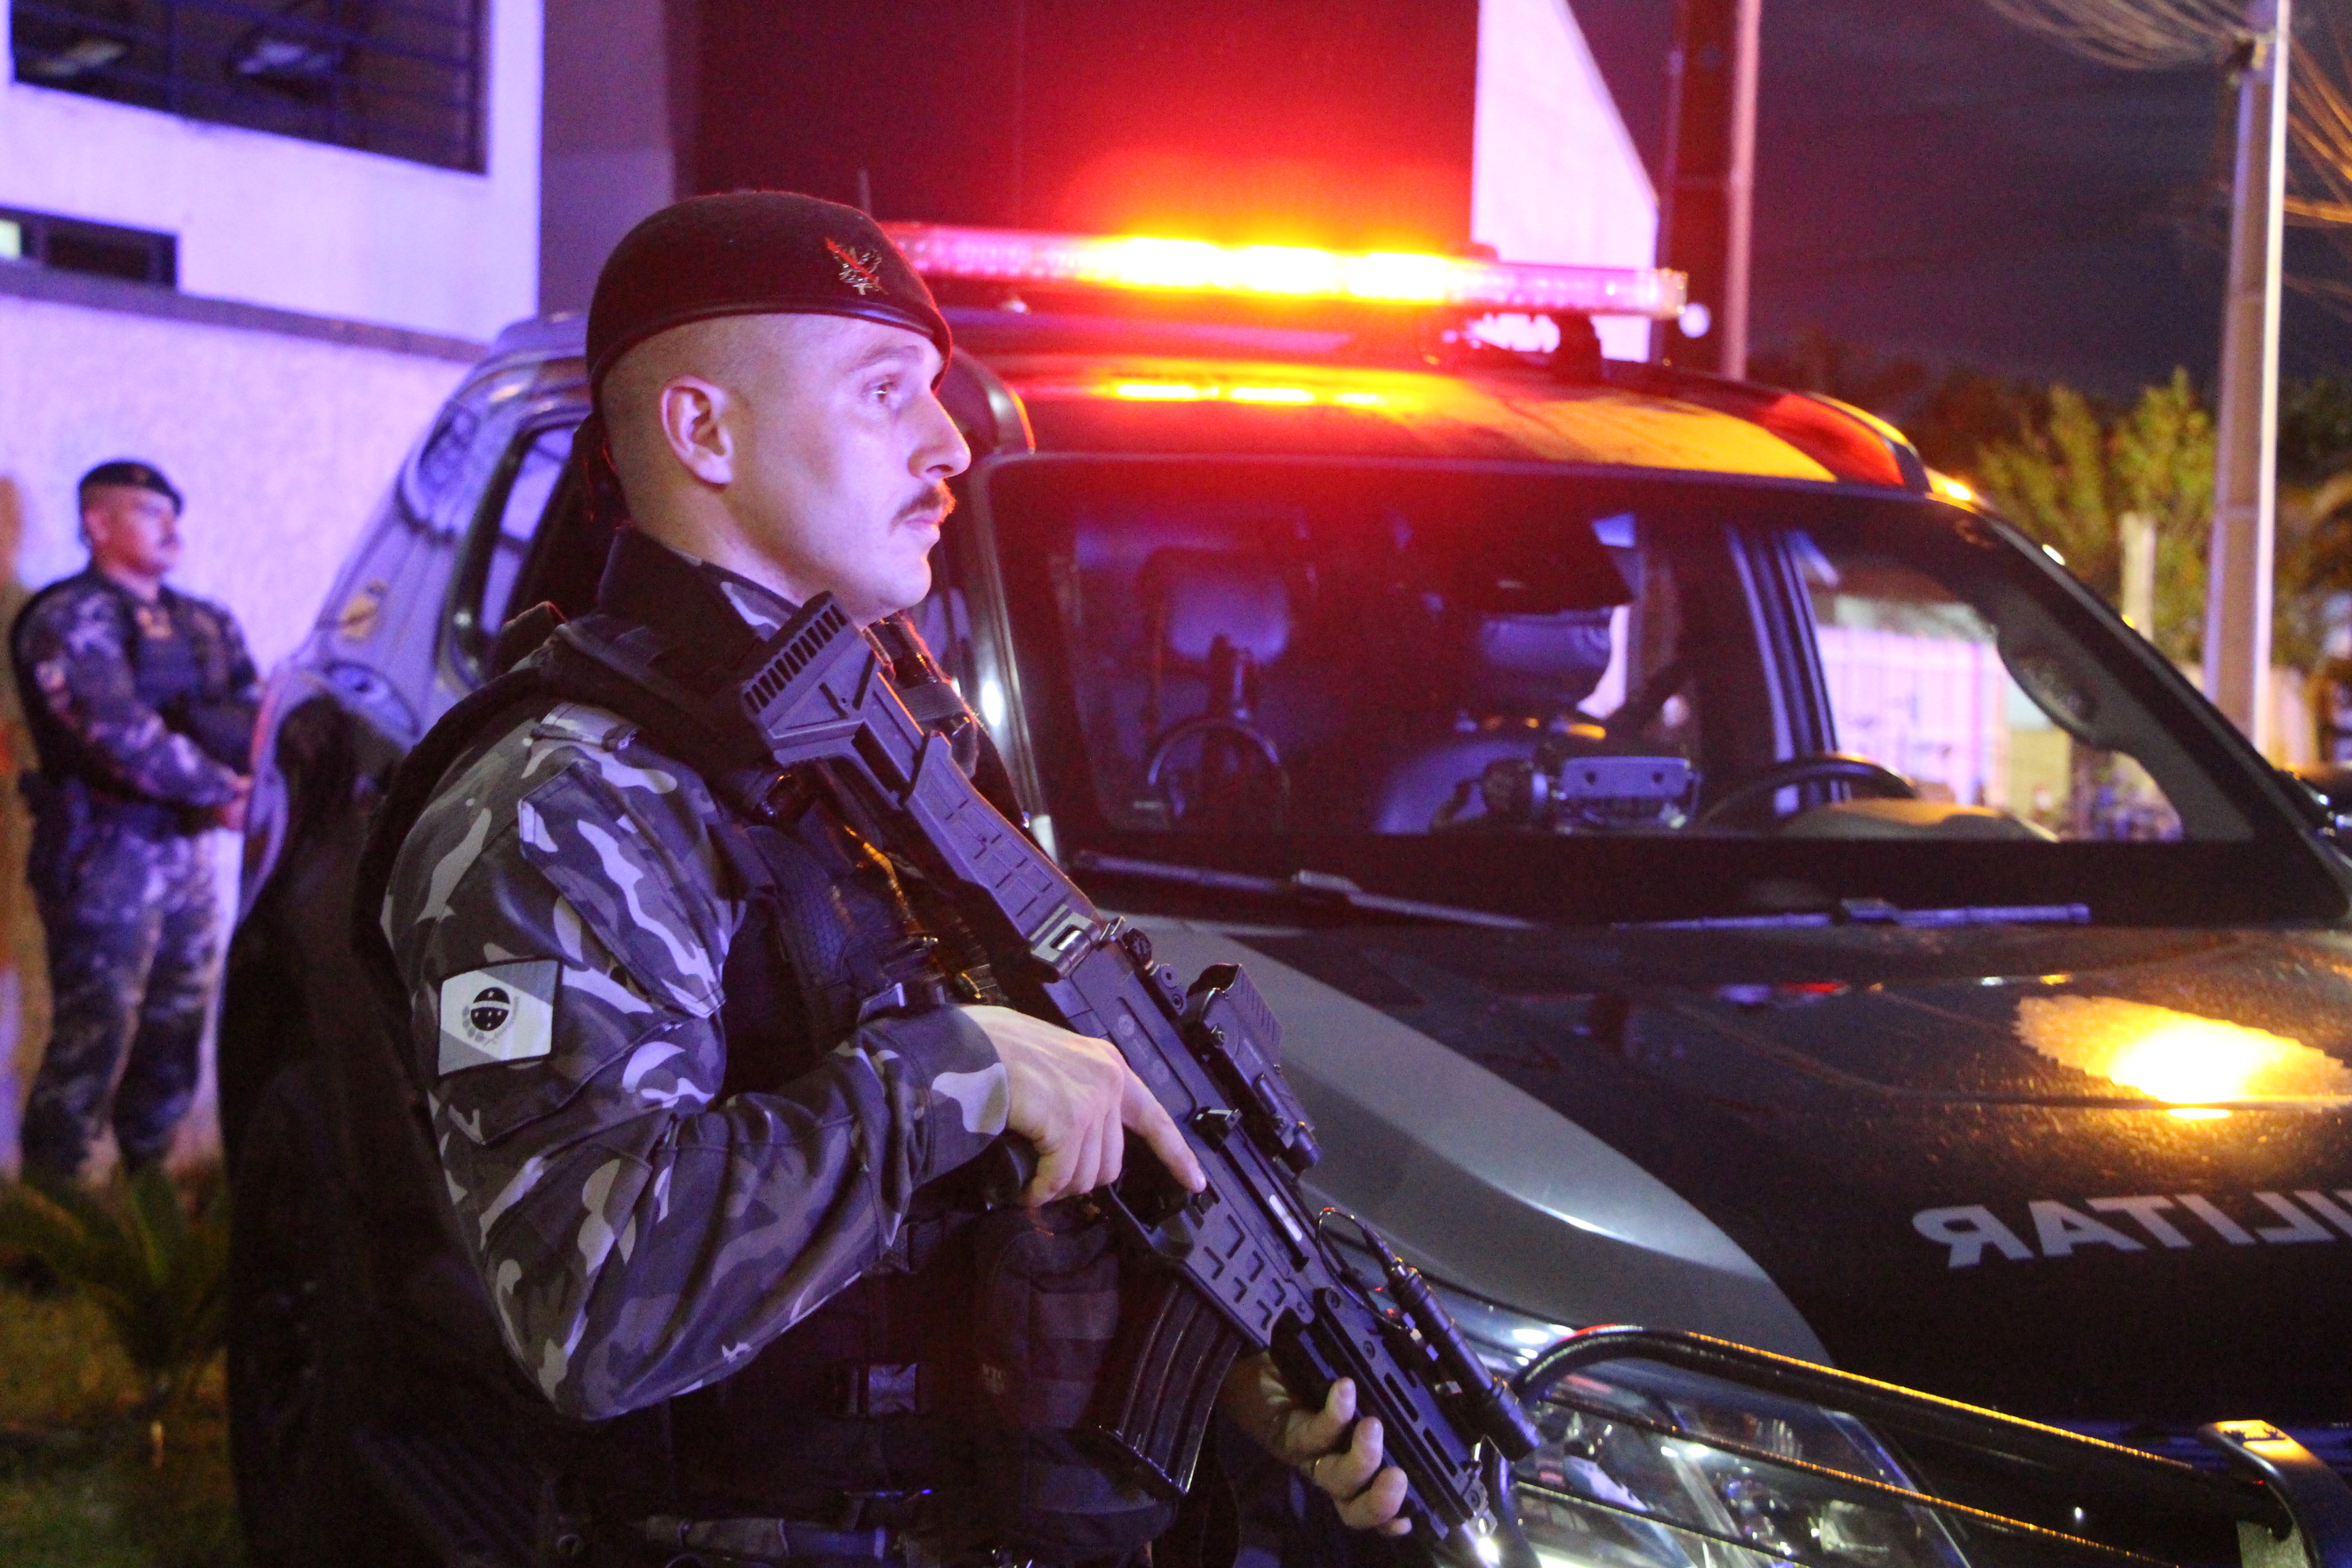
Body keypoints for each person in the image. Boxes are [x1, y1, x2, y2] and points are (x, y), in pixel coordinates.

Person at [368, 193, 1406, 1568]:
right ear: (702, 430)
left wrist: (1219, 1354)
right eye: (882, 391)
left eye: (935, 390)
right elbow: (589, 1307)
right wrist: (959, 1074)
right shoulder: (561, 807)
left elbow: (997, 1214)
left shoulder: (886, 750)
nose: (949, 442)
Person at [12, 460, 258, 1183]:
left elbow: (252, 711)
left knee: (177, 1028)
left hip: (188, 855)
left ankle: (149, 1196)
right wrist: (222, 791)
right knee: (93, 1035)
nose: (171, 528)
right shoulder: (68, 619)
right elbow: (115, 731)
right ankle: (56, 1211)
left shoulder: (204, 622)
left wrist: (256, 780)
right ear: (97, 523)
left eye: (173, 513)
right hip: (104, 856)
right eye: (150, 512)